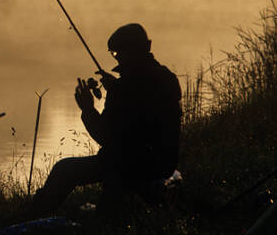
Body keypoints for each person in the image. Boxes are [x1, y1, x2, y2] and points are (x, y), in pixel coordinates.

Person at [30, 23, 182, 217]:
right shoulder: (167, 78)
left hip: (132, 164)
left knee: (65, 169)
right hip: (165, 161)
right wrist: (116, 86)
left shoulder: (125, 89)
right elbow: (143, 97)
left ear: (130, 52)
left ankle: (33, 218)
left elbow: (106, 137)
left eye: (117, 54)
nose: (116, 58)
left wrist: (88, 109)